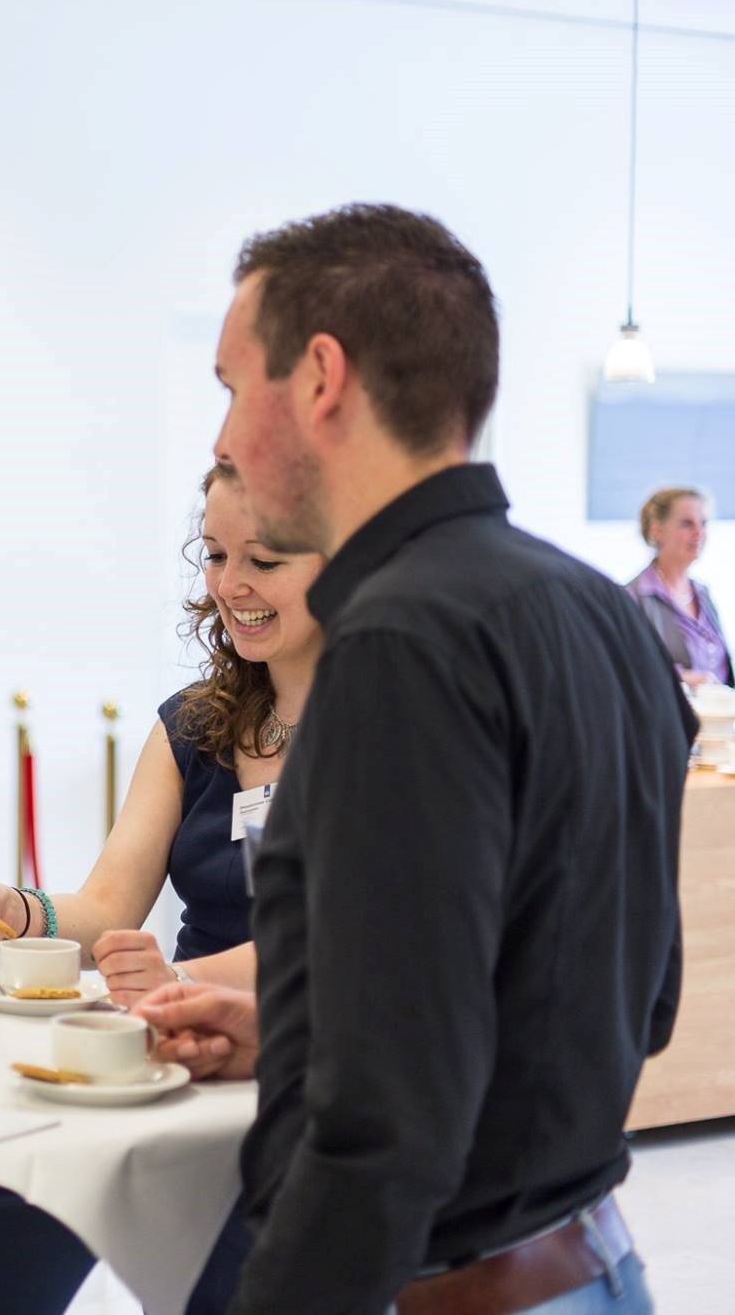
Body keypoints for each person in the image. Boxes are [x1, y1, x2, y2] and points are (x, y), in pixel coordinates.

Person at [148, 203, 688, 1313]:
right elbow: (634, 1002)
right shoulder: (597, 614)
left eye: (227, 387)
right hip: (588, 1260)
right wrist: (304, 1031)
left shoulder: (396, 644)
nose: (220, 440)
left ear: (319, 379)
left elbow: (381, 1129)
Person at [0, 465, 322, 1005]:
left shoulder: (391, 727)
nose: (230, 586)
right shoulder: (193, 724)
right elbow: (108, 910)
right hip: (194, 1036)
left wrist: (180, 981)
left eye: (263, 560)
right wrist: (15, 909)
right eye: (213, 555)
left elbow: (346, 938)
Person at [628, 486, 730, 687]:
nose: (699, 532)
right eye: (687, 524)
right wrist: (684, 678)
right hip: (672, 716)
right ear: (656, 530)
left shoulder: (702, 592)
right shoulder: (634, 596)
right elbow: (628, 666)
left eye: (703, 523)